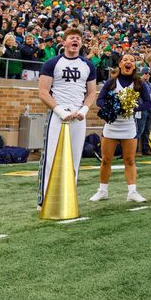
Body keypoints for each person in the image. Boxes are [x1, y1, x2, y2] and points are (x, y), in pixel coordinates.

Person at [36, 28, 97, 209]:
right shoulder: (51, 63)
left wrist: (84, 110)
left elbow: (92, 92)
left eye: (78, 38)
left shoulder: (88, 65)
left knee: (75, 158)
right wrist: (61, 111)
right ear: (64, 42)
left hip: (78, 117)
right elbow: (43, 92)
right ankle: (44, 200)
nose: (75, 40)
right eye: (71, 37)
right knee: (50, 157)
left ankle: (68, 198)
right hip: (58, 115)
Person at [89, 54, 151, 203]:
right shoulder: (111, 82)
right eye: (125, 60)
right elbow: (100, 100)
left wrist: (133, 108)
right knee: (106, 160)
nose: (128, 62)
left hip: (129, 125)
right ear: (120, 65)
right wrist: (112, 107)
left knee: (129, 160)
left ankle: (132, 191)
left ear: (134, 66)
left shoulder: (139, 84)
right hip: (111, 126)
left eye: (131, 61)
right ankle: (102, 190)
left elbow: (148, 104)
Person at [135, 67, 151, 156]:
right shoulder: (139, 83)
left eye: (148, 74)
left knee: (147, 129)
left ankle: (145, 149)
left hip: (150, 108)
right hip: (142, 108)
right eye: (146, 73)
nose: (147, 75)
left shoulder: (150, 84)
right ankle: (135, 150)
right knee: (140, 129)